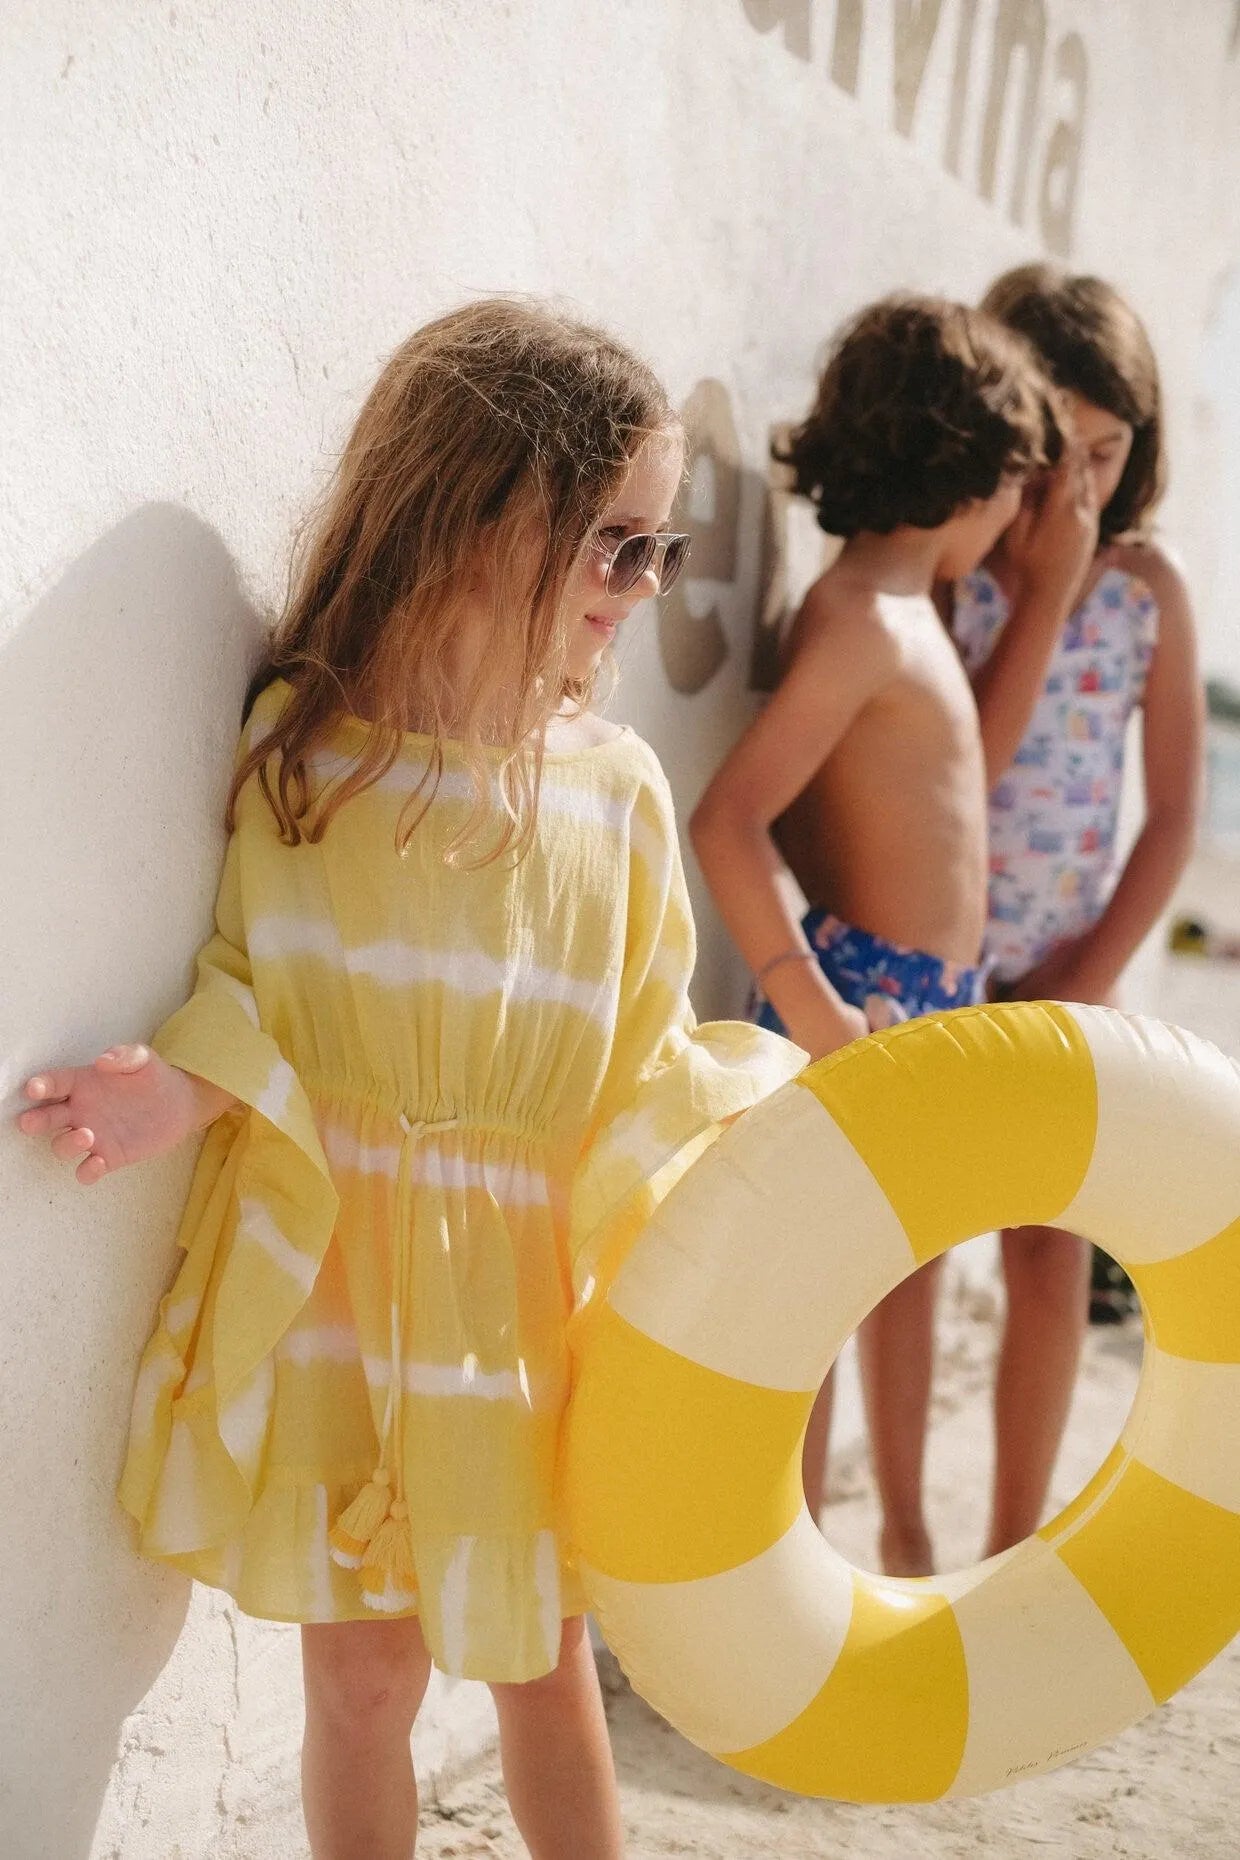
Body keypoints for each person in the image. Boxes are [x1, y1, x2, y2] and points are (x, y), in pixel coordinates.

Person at [14, 300, 805, 1860]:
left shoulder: (619, 792)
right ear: (476, 517)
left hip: (523, 1319)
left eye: (659, 552)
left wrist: (756, 1165)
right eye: (614, 544)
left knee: (543, 1661)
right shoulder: (307, 761)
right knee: (365, 1687)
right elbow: (257, 986)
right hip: (342, 1300)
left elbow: (646, 1059)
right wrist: (173, 1094)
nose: (638, 590)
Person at [690, 294, 1068, 1570]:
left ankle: (901, 1540)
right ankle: (780, 1566)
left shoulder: (907, 617)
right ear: (967, 474)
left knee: (900, 1282)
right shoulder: (857, 619)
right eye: (1020, 487)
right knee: (802, 1311)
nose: (1022, 521)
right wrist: (814, 1008)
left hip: (925, 1001)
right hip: (857, 1003)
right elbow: (731, 818)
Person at [948, 264, 1204, 1557]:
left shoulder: (1148, 592)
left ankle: (1008, 1545)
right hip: (933, 957)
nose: (1082, 490)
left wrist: (1084, 979)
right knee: (900, 1244)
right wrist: (1035, 576)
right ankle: (887, 1545)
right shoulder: (960, 563)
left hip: (1062, 967)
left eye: (1109, 454)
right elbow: (951, 776)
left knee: (1046, 1255)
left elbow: (1170, 820)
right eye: (1059, 453)